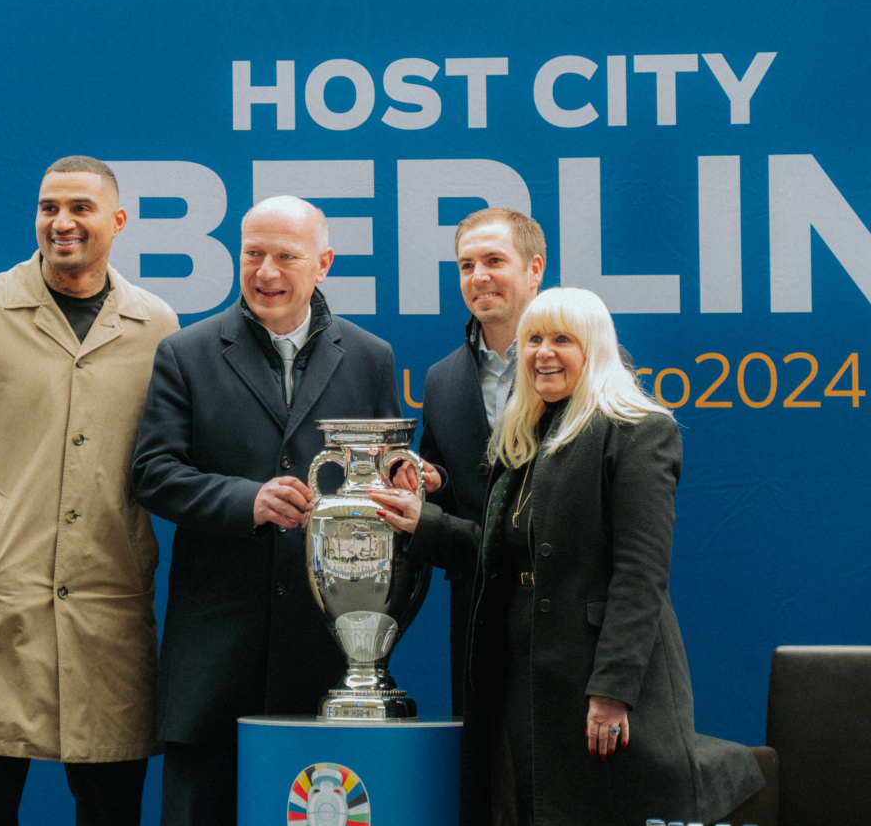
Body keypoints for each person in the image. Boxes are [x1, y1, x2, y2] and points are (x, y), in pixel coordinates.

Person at [373, 288, 764, 826]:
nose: (543, 352)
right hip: (520, 675)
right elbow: (501, 556)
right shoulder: (525, 436)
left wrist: (611, 691)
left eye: (562, 339)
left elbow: (641, 574)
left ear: (595, 349)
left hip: (595, 681)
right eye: (533, 339)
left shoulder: (639, 430)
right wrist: (425, 524)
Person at [0, 155, 178, 826]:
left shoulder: (157, 324)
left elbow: (174, 456)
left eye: (80, 207)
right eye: (49, 207)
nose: (62, 222)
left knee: (112, 814)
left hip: (108, 610)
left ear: (118, 219)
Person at [132, 195, 403, 826]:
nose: (266, 271)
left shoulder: (370, 357)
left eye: (287, 255)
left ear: (324, 263)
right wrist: (245, 500)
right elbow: (153, 473)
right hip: (214, 656)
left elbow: (387, 476)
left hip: (327, 650)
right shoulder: (186, 352)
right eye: (253, 253)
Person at [416, 207, 546, 715]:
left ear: (534, 270)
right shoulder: (441, 380)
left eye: (495, 260)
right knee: (484, 779)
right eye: (466, 265)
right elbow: (450, 495)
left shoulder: (585, 361)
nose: (479, 276)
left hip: (561, 614)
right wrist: (429, 482)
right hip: (475, 619)